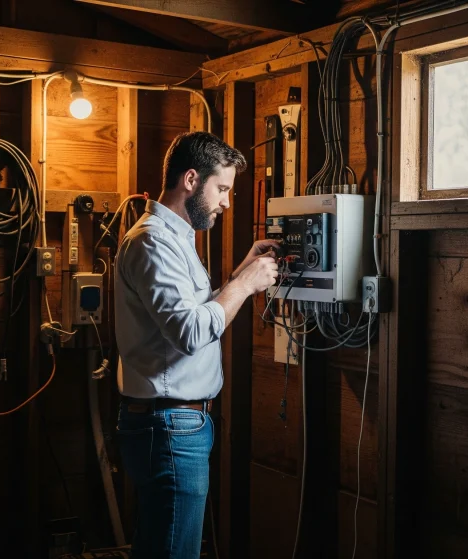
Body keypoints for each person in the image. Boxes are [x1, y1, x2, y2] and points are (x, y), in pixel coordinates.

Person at [113, 131, 279, 558]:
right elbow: (188, 332)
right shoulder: (153, 240)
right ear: (191, 179)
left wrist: (243, 270)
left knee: (161, 546)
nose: (226, 201)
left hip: (174, 424)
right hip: (169, 425)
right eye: (221, 188)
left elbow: (192, 314)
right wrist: (243, 286)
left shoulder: (175, 239)